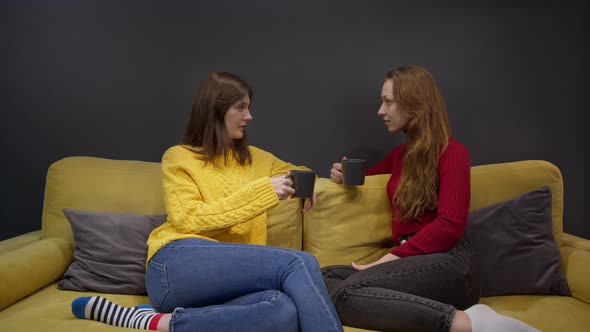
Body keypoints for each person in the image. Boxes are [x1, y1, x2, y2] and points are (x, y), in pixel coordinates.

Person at [70, 72, 343, 332]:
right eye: (241, 107)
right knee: (298, 262)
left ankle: (154, 322)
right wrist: (263, 192)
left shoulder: (256, 159)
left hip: (228, 285)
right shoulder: (179, 157)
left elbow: (297, 170)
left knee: (282, 310)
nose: (249, 116)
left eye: (249, 107)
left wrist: (304, 183)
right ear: (216, 111)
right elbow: (188, 218)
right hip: (174, 267)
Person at [322, 65, 539, 332]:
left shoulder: (453, 153)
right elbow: (366, 177)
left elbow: (450, 225)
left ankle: (473, 324)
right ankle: (448, 315)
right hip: (412, 264)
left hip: (451, 262)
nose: (380, 111)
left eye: (388, 102)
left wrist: (387, 260)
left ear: (414, 104)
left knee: (347, 292)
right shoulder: (400, 156)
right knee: (323, 278)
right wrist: (343, 174)